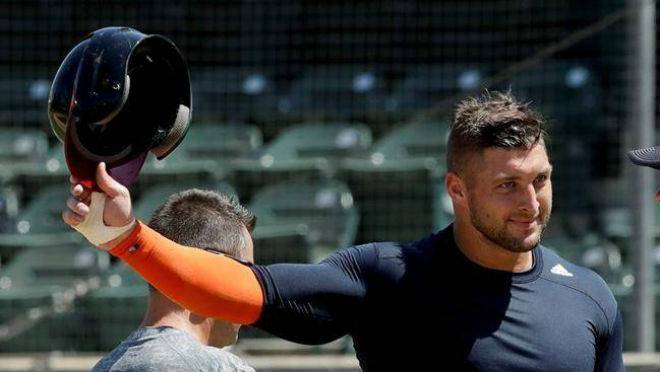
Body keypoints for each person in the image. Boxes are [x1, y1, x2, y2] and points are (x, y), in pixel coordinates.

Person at [64, 91, 624, 371]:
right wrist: (125, 237)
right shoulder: (390, 277)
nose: (532, 203)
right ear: (457, 190)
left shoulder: (590, 297)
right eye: (507, 186)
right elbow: (238, 291)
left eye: (541, 180)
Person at [91, 189, 256, 372]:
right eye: (246, 273)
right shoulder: (220, 368)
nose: (251, 288)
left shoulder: (105, 367)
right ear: (216, 266)